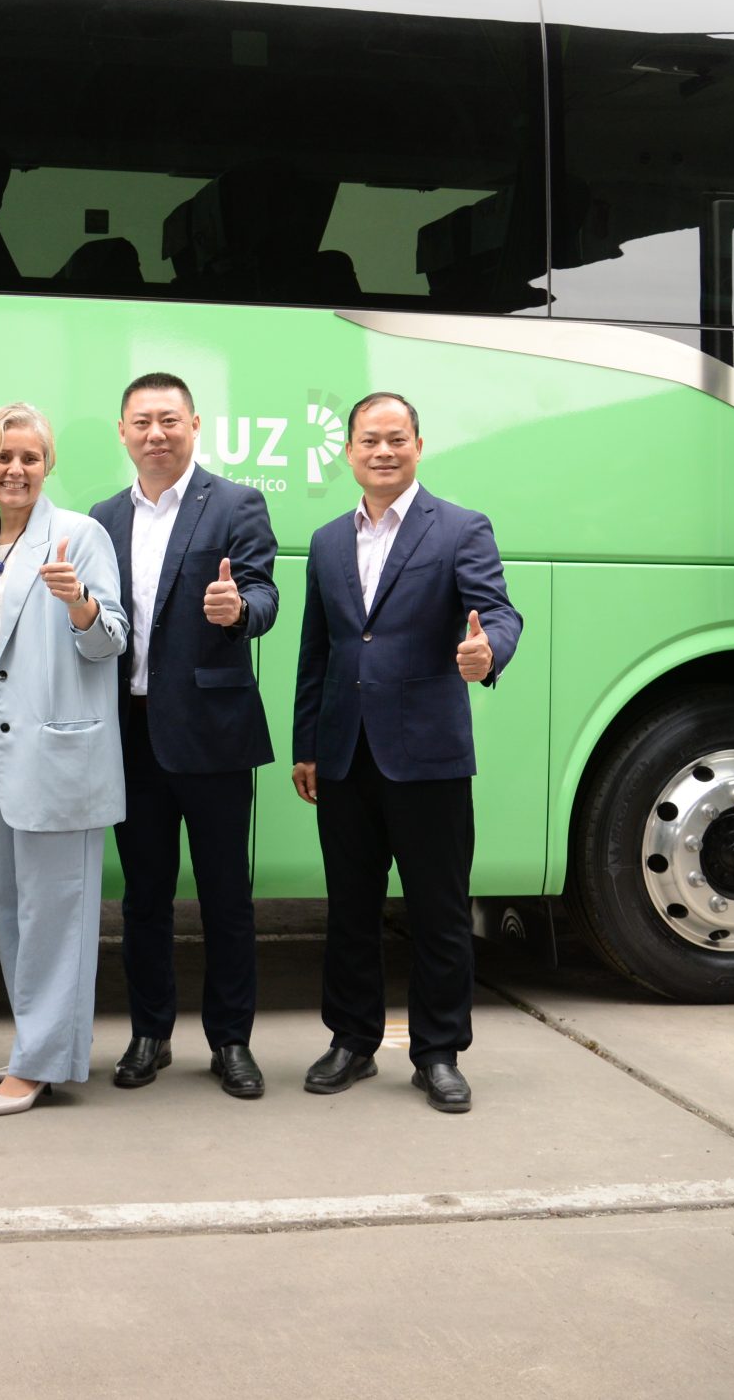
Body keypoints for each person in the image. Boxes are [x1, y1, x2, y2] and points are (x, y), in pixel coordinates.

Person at [291, 392, 520, 1114]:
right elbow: (319, 648)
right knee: (350, 908)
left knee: (439, 909)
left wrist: (488, 654)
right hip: (345, 753)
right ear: (349, 451)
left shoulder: (458, 528)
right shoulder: (328, 540)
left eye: (396, 438)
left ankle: (439, 1051)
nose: (382, 451)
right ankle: (352, 1041)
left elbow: (501, 613)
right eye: (369, 440)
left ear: (419, 444)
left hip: (428, 755)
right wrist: (307, 743)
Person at [90, 373, 279, 1098]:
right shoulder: (102, 517)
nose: (155, 433)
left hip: (213, 734)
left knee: (227, 895)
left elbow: (263, 593)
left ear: (194, 425)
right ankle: (149, 1033)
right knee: (144, 897)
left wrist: (239, 610)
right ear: (123, 432)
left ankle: (231, 1040)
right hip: (129, 732)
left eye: (169, 420)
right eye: (142, 421)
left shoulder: (235, 503)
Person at [0, 403, 128, 1117]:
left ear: (47, 462)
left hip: (58, 750)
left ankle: (39, 1063)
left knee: (57, 910)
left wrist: (81, 606)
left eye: (29, 457)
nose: (15, 469)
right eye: (2, 457)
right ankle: (39, 1040)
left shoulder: (80, 534)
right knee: (10, 906)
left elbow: (112, 636)